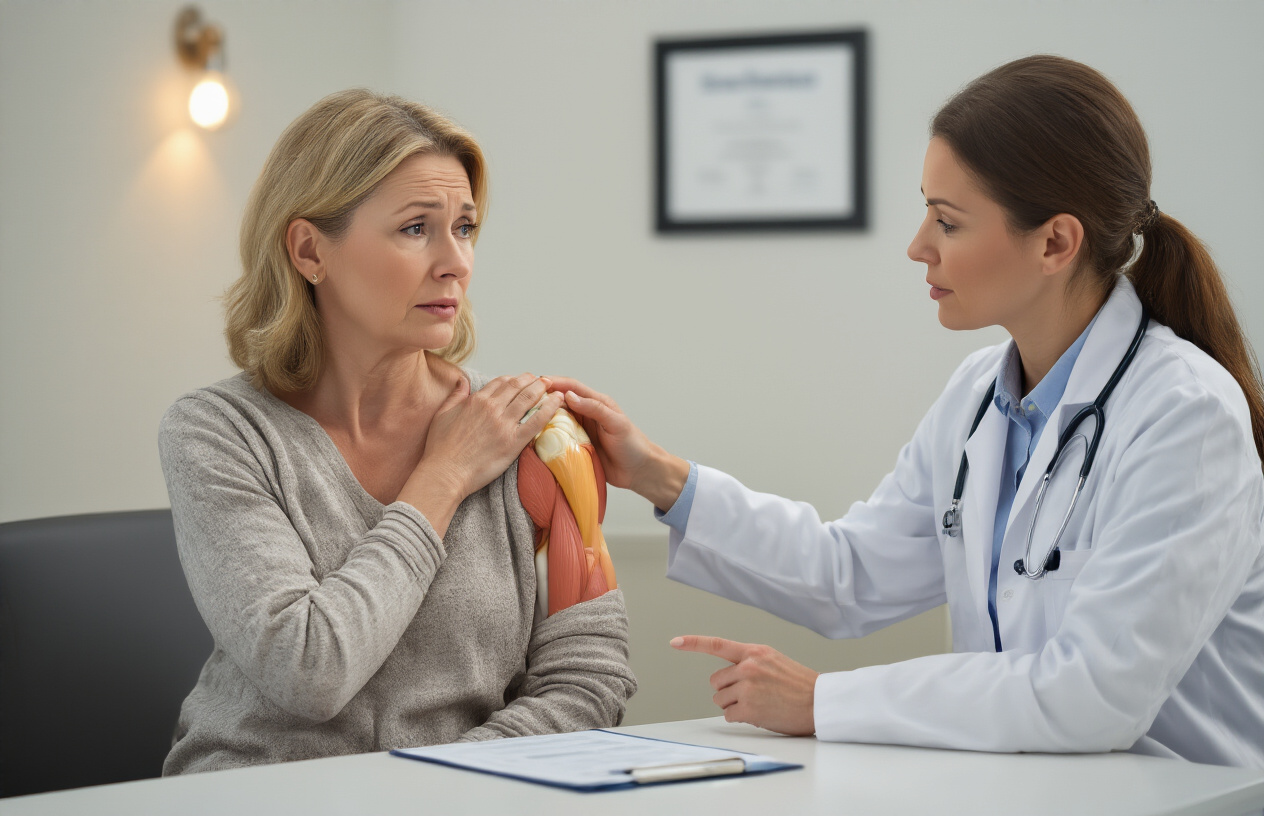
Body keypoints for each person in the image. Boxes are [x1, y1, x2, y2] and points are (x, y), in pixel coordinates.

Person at [548, 55, 1264, 768]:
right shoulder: (979, 396)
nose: (918, 246)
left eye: (947, 222)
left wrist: (823, 701)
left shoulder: (1184, 415)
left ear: (1055, 242)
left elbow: (1093, 695)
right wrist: (659, 477)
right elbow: (850, 573)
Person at [158, 89, 635, 775]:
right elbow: (308, 669)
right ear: (308, 250)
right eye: (416, 228)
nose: (456, 262)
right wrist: (442, 477)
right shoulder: (217, 434)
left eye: (464, 228)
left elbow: (589, 678)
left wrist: (429, 785)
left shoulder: (534, 435)